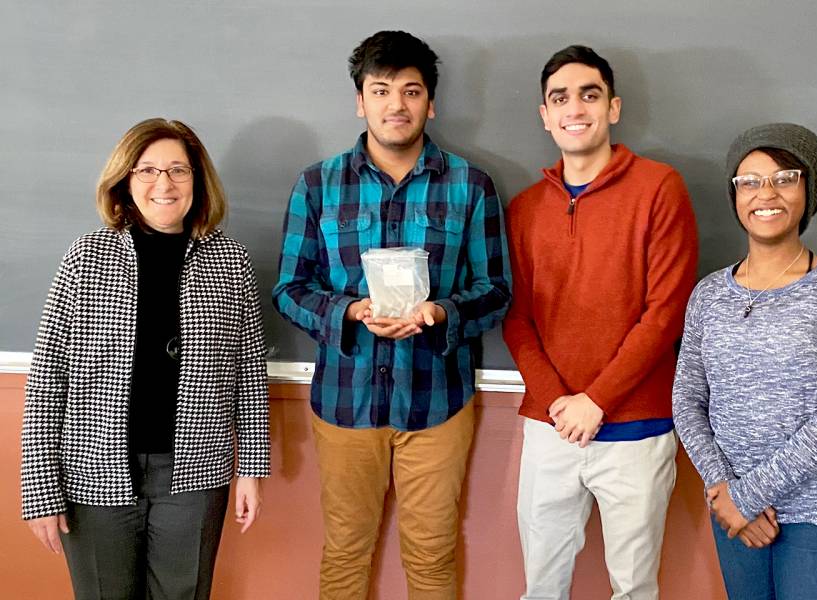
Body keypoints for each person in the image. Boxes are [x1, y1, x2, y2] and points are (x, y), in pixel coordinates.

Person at [272, 30, 511, 600]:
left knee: (433, 555)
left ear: (432, 102)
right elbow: (288, 288)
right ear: (360, 100)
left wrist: (440, 313)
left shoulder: (470, 186)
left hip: (436, 402)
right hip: (344, 402)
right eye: (381, 91)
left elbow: (496, 289)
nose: (395, 105)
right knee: (346, 552)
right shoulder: (317, 185)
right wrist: (348, 310)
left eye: (411, 91)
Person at [21, 118, 271, 600]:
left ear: (198, 181)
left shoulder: (232, 260)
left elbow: (250, 375)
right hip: (93, 471)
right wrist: (39, 493)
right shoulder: (85, 257)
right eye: (147, 170)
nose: (164, 184)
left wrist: (251, 470)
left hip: (196, 474)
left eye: (178, 170)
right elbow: (46, 378)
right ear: (124, 181)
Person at [503, 45, 698, 599]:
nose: (575, 108)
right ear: (544, 114)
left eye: (589, 94)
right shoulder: (524, 209)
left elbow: (666, 313)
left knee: (634, 589)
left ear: (613, 107)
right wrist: (558, 402)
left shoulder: (660, 189)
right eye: (559, 98)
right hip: (551, 426)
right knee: (541, 587)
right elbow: (517, 319)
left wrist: (598, 400)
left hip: (636, 428)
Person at [672, 122, 817, 599]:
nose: (767, 193)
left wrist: (747, 496)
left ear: (809, 189)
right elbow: (687, 399)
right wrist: (724, 489)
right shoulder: (707, 295)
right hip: (733, 513)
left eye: (785, 178)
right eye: (750, 181)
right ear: (735, 195)